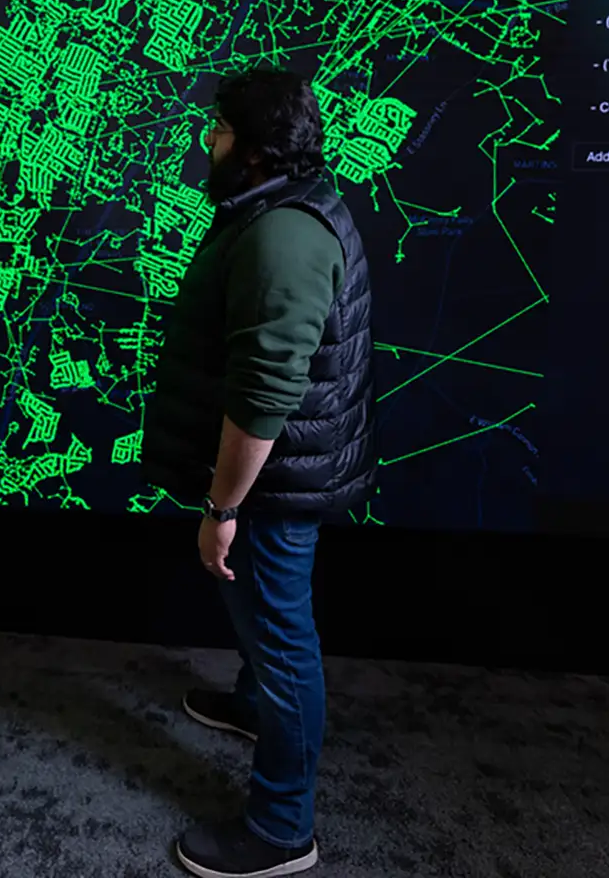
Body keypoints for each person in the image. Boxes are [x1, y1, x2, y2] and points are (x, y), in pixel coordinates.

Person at [140, 68, 377, 877]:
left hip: (269, 488)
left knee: (280, 637)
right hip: (282, 475)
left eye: (221, 129)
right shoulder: (280, 204)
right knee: (263, 631)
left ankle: (282, 828)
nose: (208, 141)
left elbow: (265, 397)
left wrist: (221, 505)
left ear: (253, 146)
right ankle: (250, 708)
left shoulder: (282, 234)